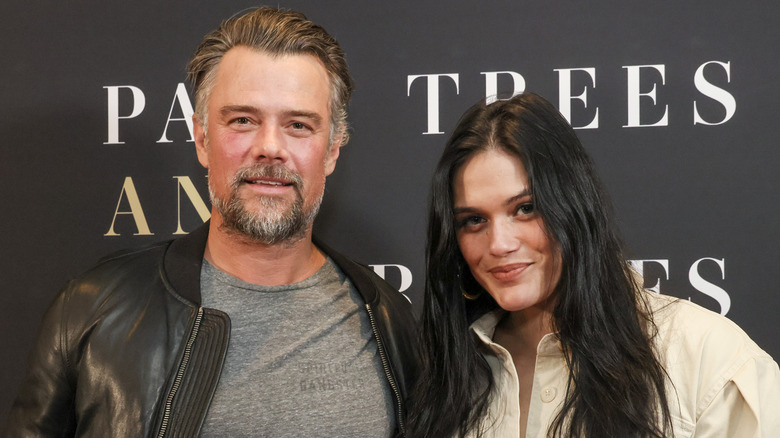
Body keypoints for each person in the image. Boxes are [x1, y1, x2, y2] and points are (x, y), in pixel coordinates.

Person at [5, 7, 416, 437]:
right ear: (202, 139)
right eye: (243, 120)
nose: (270, 147)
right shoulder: (91, 311)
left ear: (332, 150)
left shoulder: (389, 325)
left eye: (298, 124)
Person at [407, 92, 780, 437]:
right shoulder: (443, 375)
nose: (499, 244)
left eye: (525, 209)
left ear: (573, 205)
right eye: (474, 220)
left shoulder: (705, 356)